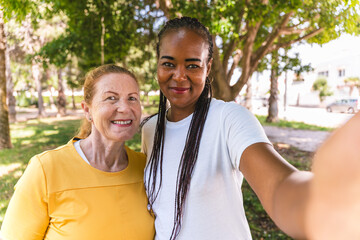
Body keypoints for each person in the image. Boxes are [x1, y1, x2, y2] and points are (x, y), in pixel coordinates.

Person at [141, 16, 360, 240]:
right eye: (168, 64)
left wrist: (324, 204)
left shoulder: (229, 118)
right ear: (157, 64)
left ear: (207, 68)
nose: (179, 75)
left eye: (192, 65)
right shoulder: (150, 129)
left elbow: (278, 185)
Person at [1, 64, 155, 239]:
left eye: (132, 98)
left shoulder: (147, 168)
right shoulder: (46, 169)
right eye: (111, 98)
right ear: (87, 110)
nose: (125, 108)